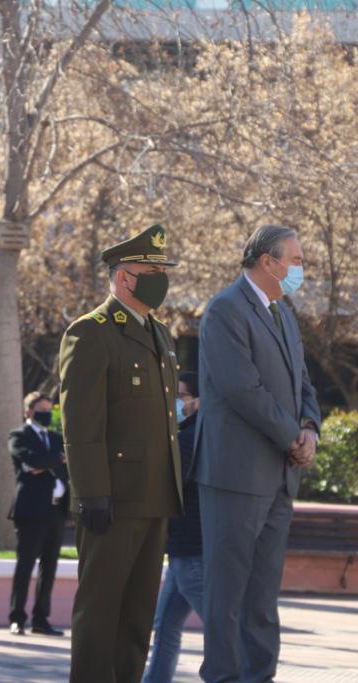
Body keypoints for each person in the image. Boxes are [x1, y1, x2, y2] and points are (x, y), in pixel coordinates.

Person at [192, 225, 320, 683]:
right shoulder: (226, 310)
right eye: (297, 259)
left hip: (279, 475)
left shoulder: (283, 314)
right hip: (235, 476)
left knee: (263, 597)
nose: (300, 269)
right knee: (227, 594)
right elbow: (243, 388)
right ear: (269, 261)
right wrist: (292, 437)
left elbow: (303, 383)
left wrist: (309, 429)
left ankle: (259, 676)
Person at [58, 224, 183, 683]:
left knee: (136, 619)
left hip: (154, 497)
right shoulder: (91, 333)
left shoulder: (161, 335)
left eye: (160, 269)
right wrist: (92, 493)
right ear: (124, 277)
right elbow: (81, 421)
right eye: (151, 268)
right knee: (100, 614)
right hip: (112, 498)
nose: (159, 277)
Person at [142, 371, 203, 683]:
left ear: (198, 401)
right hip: (183, 548)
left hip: (191, 548)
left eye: (181, 396)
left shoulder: (192, 437)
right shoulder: (191, 433)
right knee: (165, 626)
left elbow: (170, 484)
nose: (176, 403)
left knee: (222, 630)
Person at [7, 391, 70, 638]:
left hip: (56, 511)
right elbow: (30, 463)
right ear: (29, 411)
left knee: (50, 566)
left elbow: (49, 465)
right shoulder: (19, 435)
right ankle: (16, 618)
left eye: (48, 408)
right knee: (25, 565)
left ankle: (41, 619)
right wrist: (55, 460)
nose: (46, 413)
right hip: (31, 511)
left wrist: (47, 462)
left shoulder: (56, 438)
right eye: (41, 409)